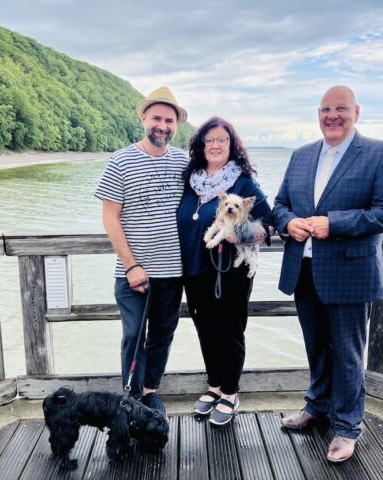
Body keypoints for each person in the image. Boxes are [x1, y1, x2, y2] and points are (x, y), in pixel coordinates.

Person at [273, 85, 383, 462]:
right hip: (304, 269)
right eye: (326, 109)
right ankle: (317, 407)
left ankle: (347, 427)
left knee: (348, 354)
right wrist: (290, 222)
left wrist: (335, 223)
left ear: (356, 112)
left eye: (340, 108)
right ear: (318, 113)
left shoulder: (381, 153)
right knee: (316, 347)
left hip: (350, 272)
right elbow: (279, 204)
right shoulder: (300, 156)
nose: (332, 115)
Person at [95, 86, 189, 418]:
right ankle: (130, 399)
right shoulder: (121, 160)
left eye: (169, 120)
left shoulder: (183, 161)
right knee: (134, 335)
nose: (162, 125)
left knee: (163, 333)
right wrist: (131, 264)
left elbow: (210, 194)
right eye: (157, 118)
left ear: (176, 124)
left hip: (173, 272)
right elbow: (110, 217)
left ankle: (150, 393)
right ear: (144, 118)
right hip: (133, 272)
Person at [177, 116, 272, 426]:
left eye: (222, 140)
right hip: (193, 267)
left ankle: (230, 392)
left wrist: (240, 234)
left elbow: (268, 223)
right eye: (209, 140)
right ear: (201, 145)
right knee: (205, 328)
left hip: (228, 271)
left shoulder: (242, 181)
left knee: (230, 329)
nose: (215, 145)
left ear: (232, 146)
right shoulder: (191, 178)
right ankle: (214, 386)